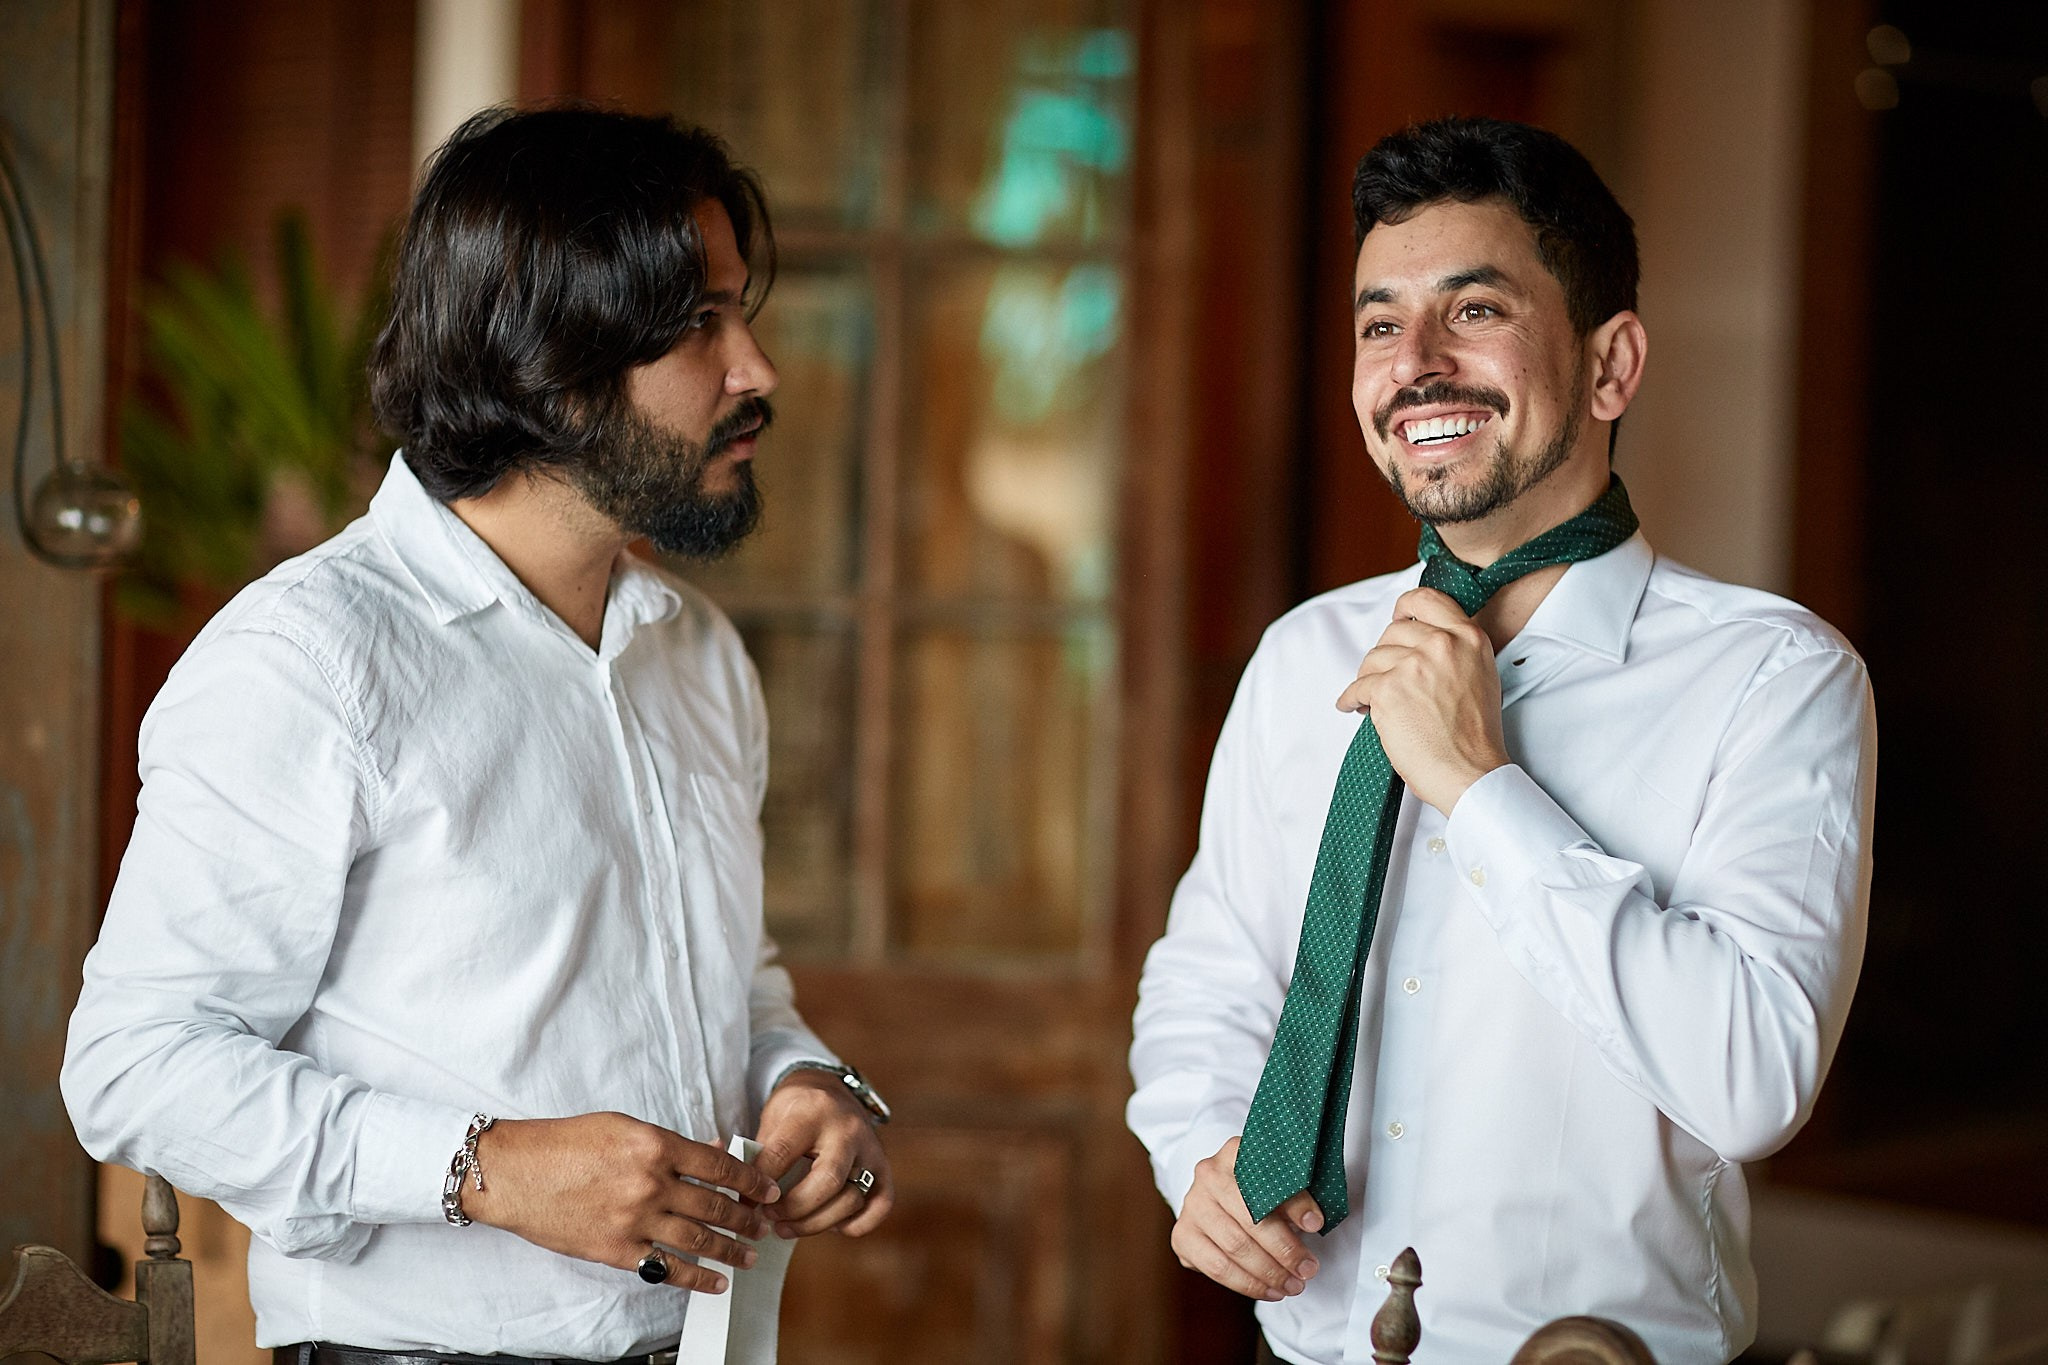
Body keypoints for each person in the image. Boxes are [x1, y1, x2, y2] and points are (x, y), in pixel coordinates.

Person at [63, 106, 894, 1362]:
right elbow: (134, 1065)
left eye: (742, 313)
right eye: (699, 327)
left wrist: (803, 1080)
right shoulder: (307, 659)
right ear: (550, 364)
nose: (757, 371)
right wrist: (485, 1171)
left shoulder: (699, 657)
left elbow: (725, 975)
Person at [1127, 116, 1875, 1365]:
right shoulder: (1303, 655)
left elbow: (1750, 1081)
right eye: (1378, 323)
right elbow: (1209, 979)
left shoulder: (1774, 677)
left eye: (1471, 310)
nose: (1412, 364)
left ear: (1608, 363)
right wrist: (1196, 1156)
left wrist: (1477, 786)